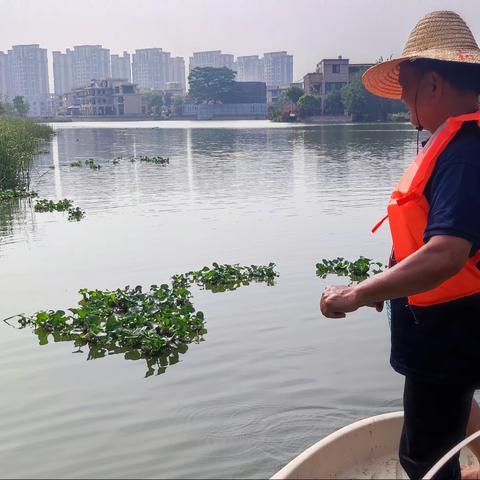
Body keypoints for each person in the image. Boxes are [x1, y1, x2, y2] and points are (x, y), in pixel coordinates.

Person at [320, 11, 480, 480]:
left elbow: (448, 252)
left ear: (433, 83)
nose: (402, 101)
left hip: (451, 332)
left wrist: (358, 293)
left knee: (423, 459)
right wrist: (388, 283)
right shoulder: (459, 143)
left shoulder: (465, 153)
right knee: (456, 404)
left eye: (406, 87)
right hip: (460, 324)